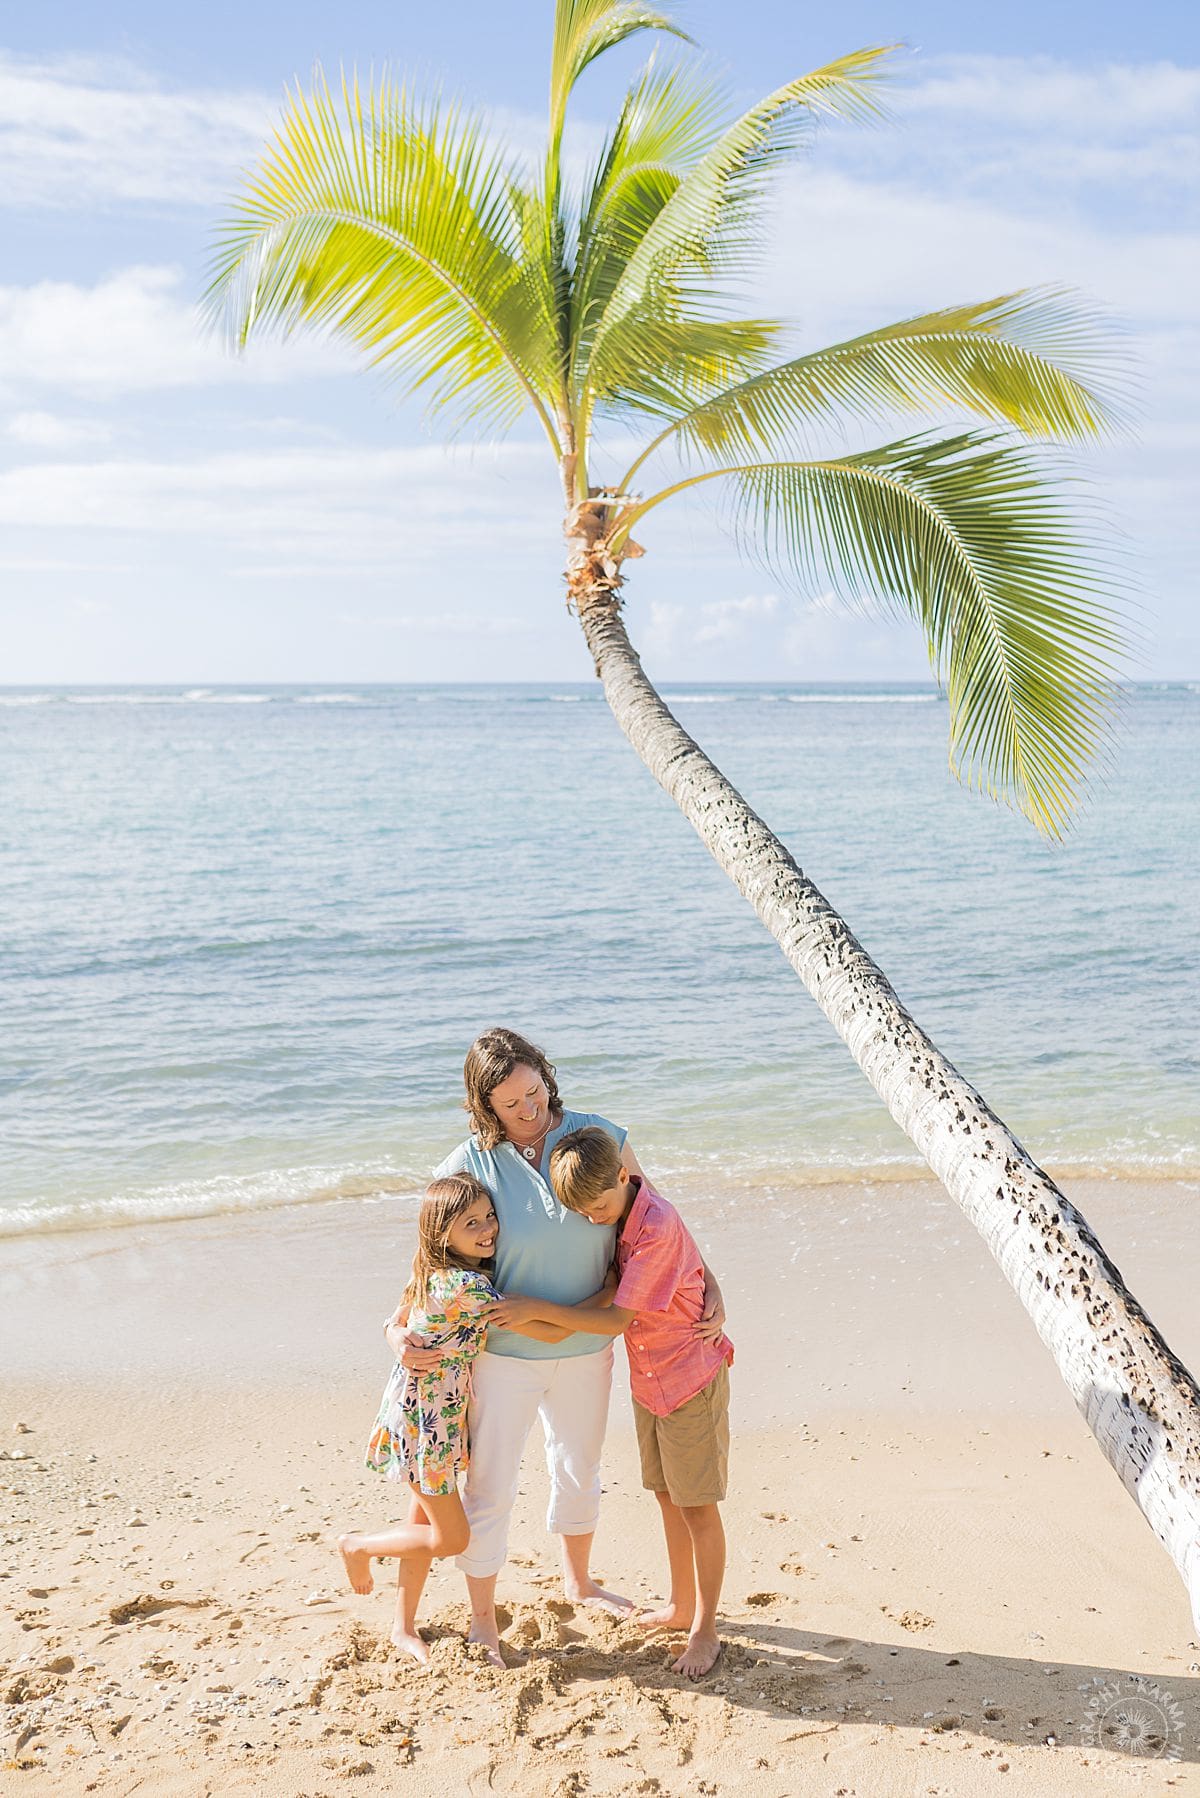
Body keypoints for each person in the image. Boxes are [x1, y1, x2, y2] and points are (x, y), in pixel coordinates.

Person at [385, 1027, 726, 1665]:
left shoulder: (600, 1138)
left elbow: (656, 1215)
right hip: (502, 1357)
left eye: (534, 1092)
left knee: (580, 1467)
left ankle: (580, 1580)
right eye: (510, 1104)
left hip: (588, 1345)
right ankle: (482, 1619)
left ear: (546, 1076)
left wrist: (710, 1280)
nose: (528, 1110)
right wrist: (394, 1329)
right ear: (484, 1106)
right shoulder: (466, 1165)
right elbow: (428, 1263)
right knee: (490, 1486)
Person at [487, 1126, 734, 1680]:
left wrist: (534, 1309)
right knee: (668, 1496)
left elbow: (617, 1318)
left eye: (598, 1207)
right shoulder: (622, 1217)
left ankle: (706, 1630)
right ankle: (680, 1604)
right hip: (651, 1380)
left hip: (690, 1376)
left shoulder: (655, 1225)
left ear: (624, 1176)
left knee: (698, 1506)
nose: (594, 1219)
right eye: (584, 1213)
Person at [339, 1172, 569, 1664]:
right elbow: (547, 1333)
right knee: (452, 1537)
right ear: (443, 1233)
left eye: (489, 1217)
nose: (488, 1229)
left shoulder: (427, 1271)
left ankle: (403, 1626)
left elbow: (398, 1317)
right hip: (430, 1423)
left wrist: (395, 1336)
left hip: (424, 1413)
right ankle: (358, 1546)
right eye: (472, 1223)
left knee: (420, 1516)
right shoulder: (465, 1286)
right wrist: (606, 1305)